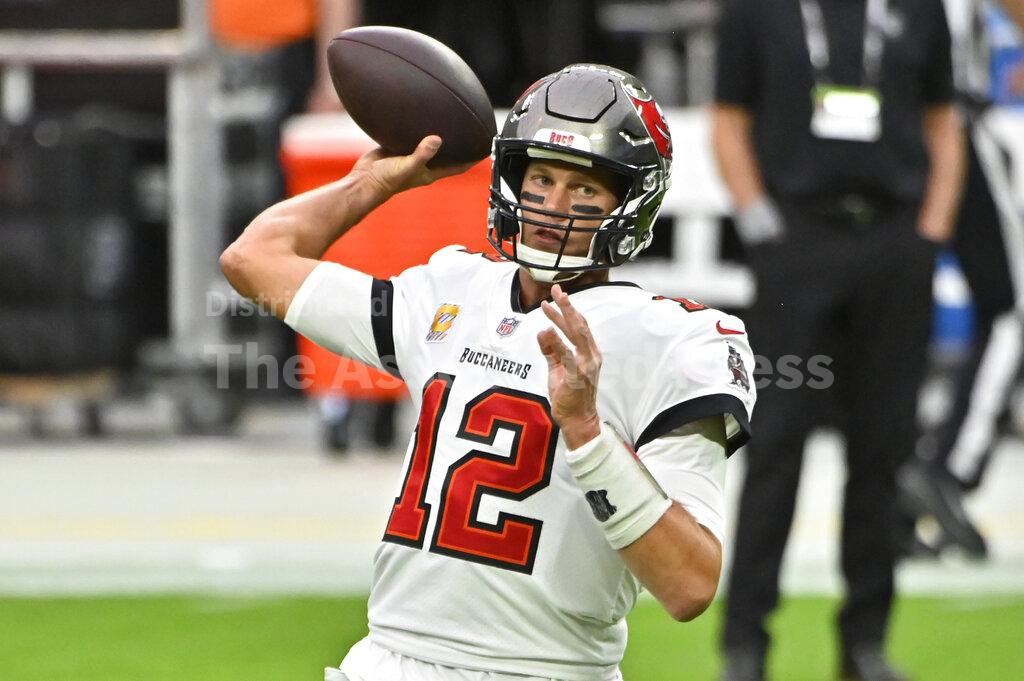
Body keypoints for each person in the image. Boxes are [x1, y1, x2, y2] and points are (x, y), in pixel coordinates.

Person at [221, 64, 756, 680]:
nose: (555, 207)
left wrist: (586, 431)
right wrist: (369, 183)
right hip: (387, 661)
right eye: (541, 178)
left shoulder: (675, 341)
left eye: (585, 189)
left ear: (630, 202)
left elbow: (689, 585)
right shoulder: (452, 291)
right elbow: (254, 259)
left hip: (543, 669)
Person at [711, 1, 965, 680]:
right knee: (776, 446)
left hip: (893, 250)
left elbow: (943, 122)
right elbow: (728, 120)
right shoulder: (755, 11)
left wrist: (928, 235)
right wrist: (763, 225)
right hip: (797, 249)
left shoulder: (919, 10)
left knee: (882, 450)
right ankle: (744, 642)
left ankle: (864, 643)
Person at [898, 0, 1024, 559]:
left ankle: (890, 500)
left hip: (889, 136)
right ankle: (946, 470)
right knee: (1013, 307)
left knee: (890, 315)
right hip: (952, 123)